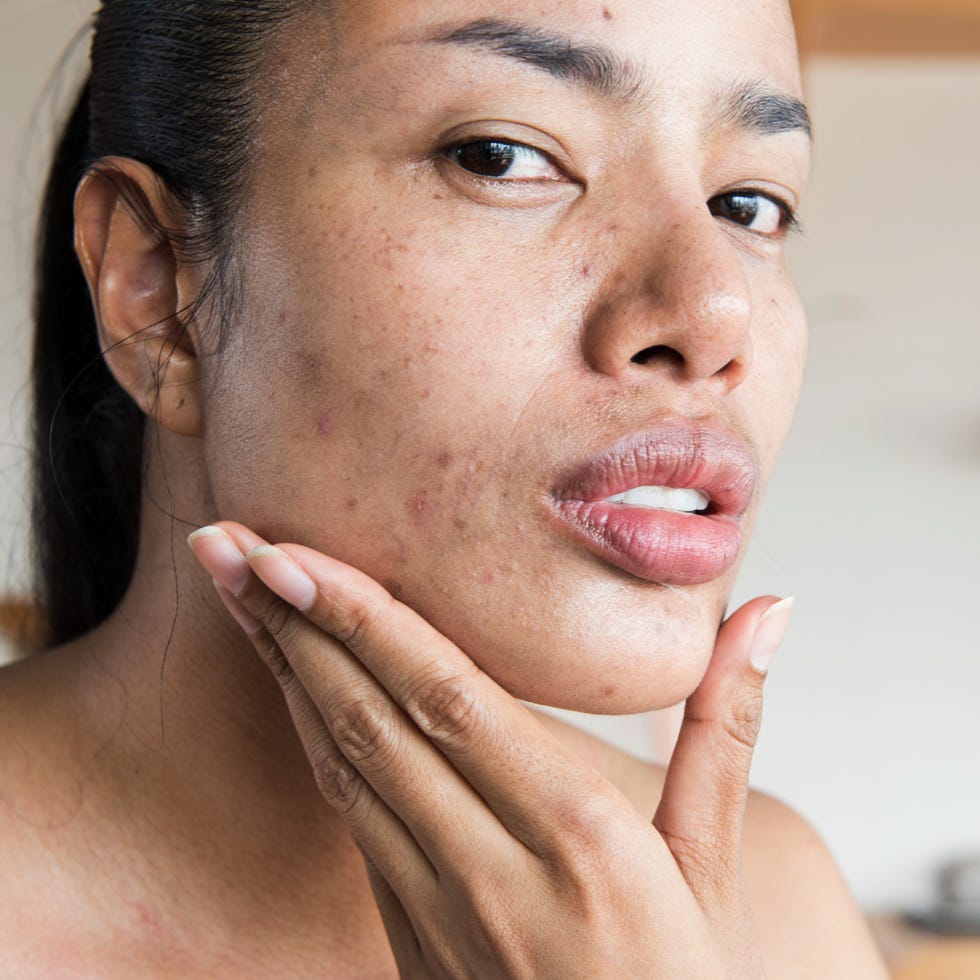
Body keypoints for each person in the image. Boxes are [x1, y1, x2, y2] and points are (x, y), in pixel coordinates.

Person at [0, 0, 889, 975]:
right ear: (159, 287)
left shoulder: (785, 909)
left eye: (748, 205)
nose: (714, 312)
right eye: (499, 156)